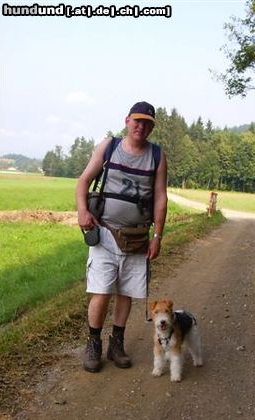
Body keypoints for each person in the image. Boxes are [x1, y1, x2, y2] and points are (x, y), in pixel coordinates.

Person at [76, 101, 168, 372]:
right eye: (137, 121)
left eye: (147, 123)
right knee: (102, 291)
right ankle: (94, 344)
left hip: (139, 237)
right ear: (127, 120)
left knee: (126, 293)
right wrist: (82, 211)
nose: (141, 126)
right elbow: (83, 181)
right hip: (104, 233)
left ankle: (116, 343)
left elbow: (161, 197)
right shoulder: (109, 146)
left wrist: (158, 235)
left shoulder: (157, 156)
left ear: (151, 127)